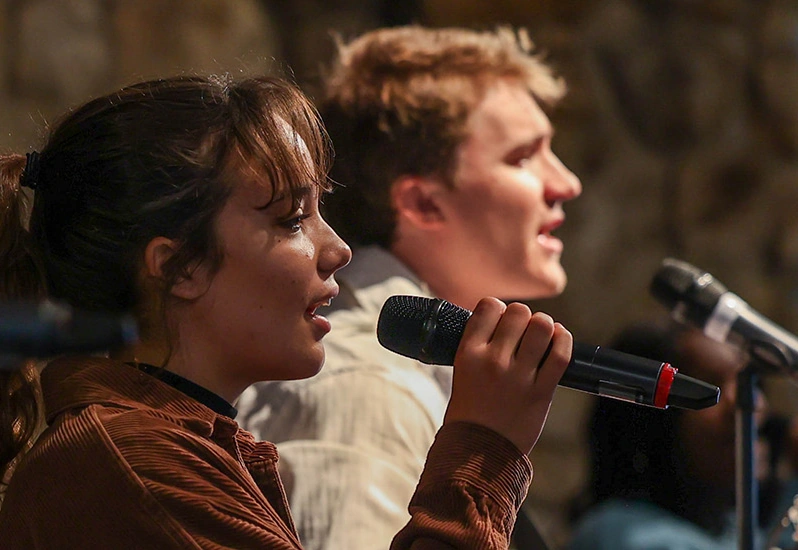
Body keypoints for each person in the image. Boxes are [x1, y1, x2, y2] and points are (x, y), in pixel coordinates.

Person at [0, 74, 574, 548]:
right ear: (180, 268)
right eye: (291, 220)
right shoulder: (132, 466)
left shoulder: (178, 448)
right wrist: (482, 448)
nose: (338, 250)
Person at [236, 25, 582, 549]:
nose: (566, 183)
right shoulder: (366, 386)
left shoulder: (412, 372)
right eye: (522, 157)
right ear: (422, 204)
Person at [568, 321, 787, 550]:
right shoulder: (623, 535)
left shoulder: (731, 529)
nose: (752, 403)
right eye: (709, 386)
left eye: (746, 382)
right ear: (649, 423)